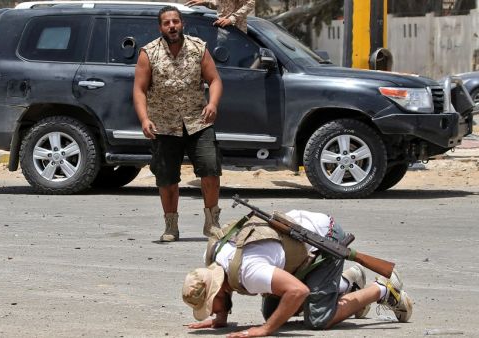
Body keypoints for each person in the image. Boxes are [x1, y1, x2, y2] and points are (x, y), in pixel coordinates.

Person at [182, 210, 413, 337]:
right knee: (274, 311)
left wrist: (266, 330)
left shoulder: (248, 272)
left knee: (317, 320)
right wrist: (220, 318)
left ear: (219, 289)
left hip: (324, 241)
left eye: (212, 304)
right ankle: (346, 284)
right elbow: (224, 285)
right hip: (298, 243)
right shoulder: (213, 255)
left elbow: (298, 291)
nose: (211, 310)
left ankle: (383, 289)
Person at [133, 6, 224, 242]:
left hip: (198, 122)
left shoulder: (198, 48)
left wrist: (212, 103)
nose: (172, 26)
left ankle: (212, 223)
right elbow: (139, 90)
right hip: (164, 125)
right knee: (167, 178)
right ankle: (171, 226)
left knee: (211, 171)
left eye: (175, 21)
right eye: (166, 23)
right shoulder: (148, 53)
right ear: (160, 27)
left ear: (182, 23)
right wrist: (144, 119)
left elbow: (214, 79)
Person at [185, 0, 255, 33]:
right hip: (221, 30)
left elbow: (250, 3)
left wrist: (232, 19)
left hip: (236, 31)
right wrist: (204, 2)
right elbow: (218, 4)